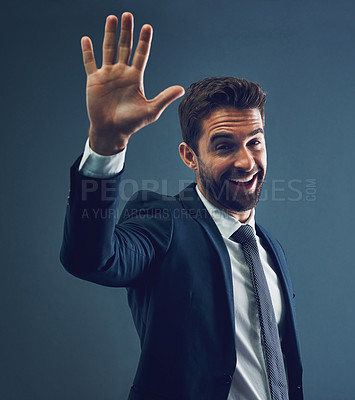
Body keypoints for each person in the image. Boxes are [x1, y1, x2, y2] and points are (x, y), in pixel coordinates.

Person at [60, 11, 303, 400]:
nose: (245, 160)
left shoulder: (268, 249)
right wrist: (106, 143)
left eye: (255, 141)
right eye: (224, 145)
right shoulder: (163, 221)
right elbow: (91, 259)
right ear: (190, 156)